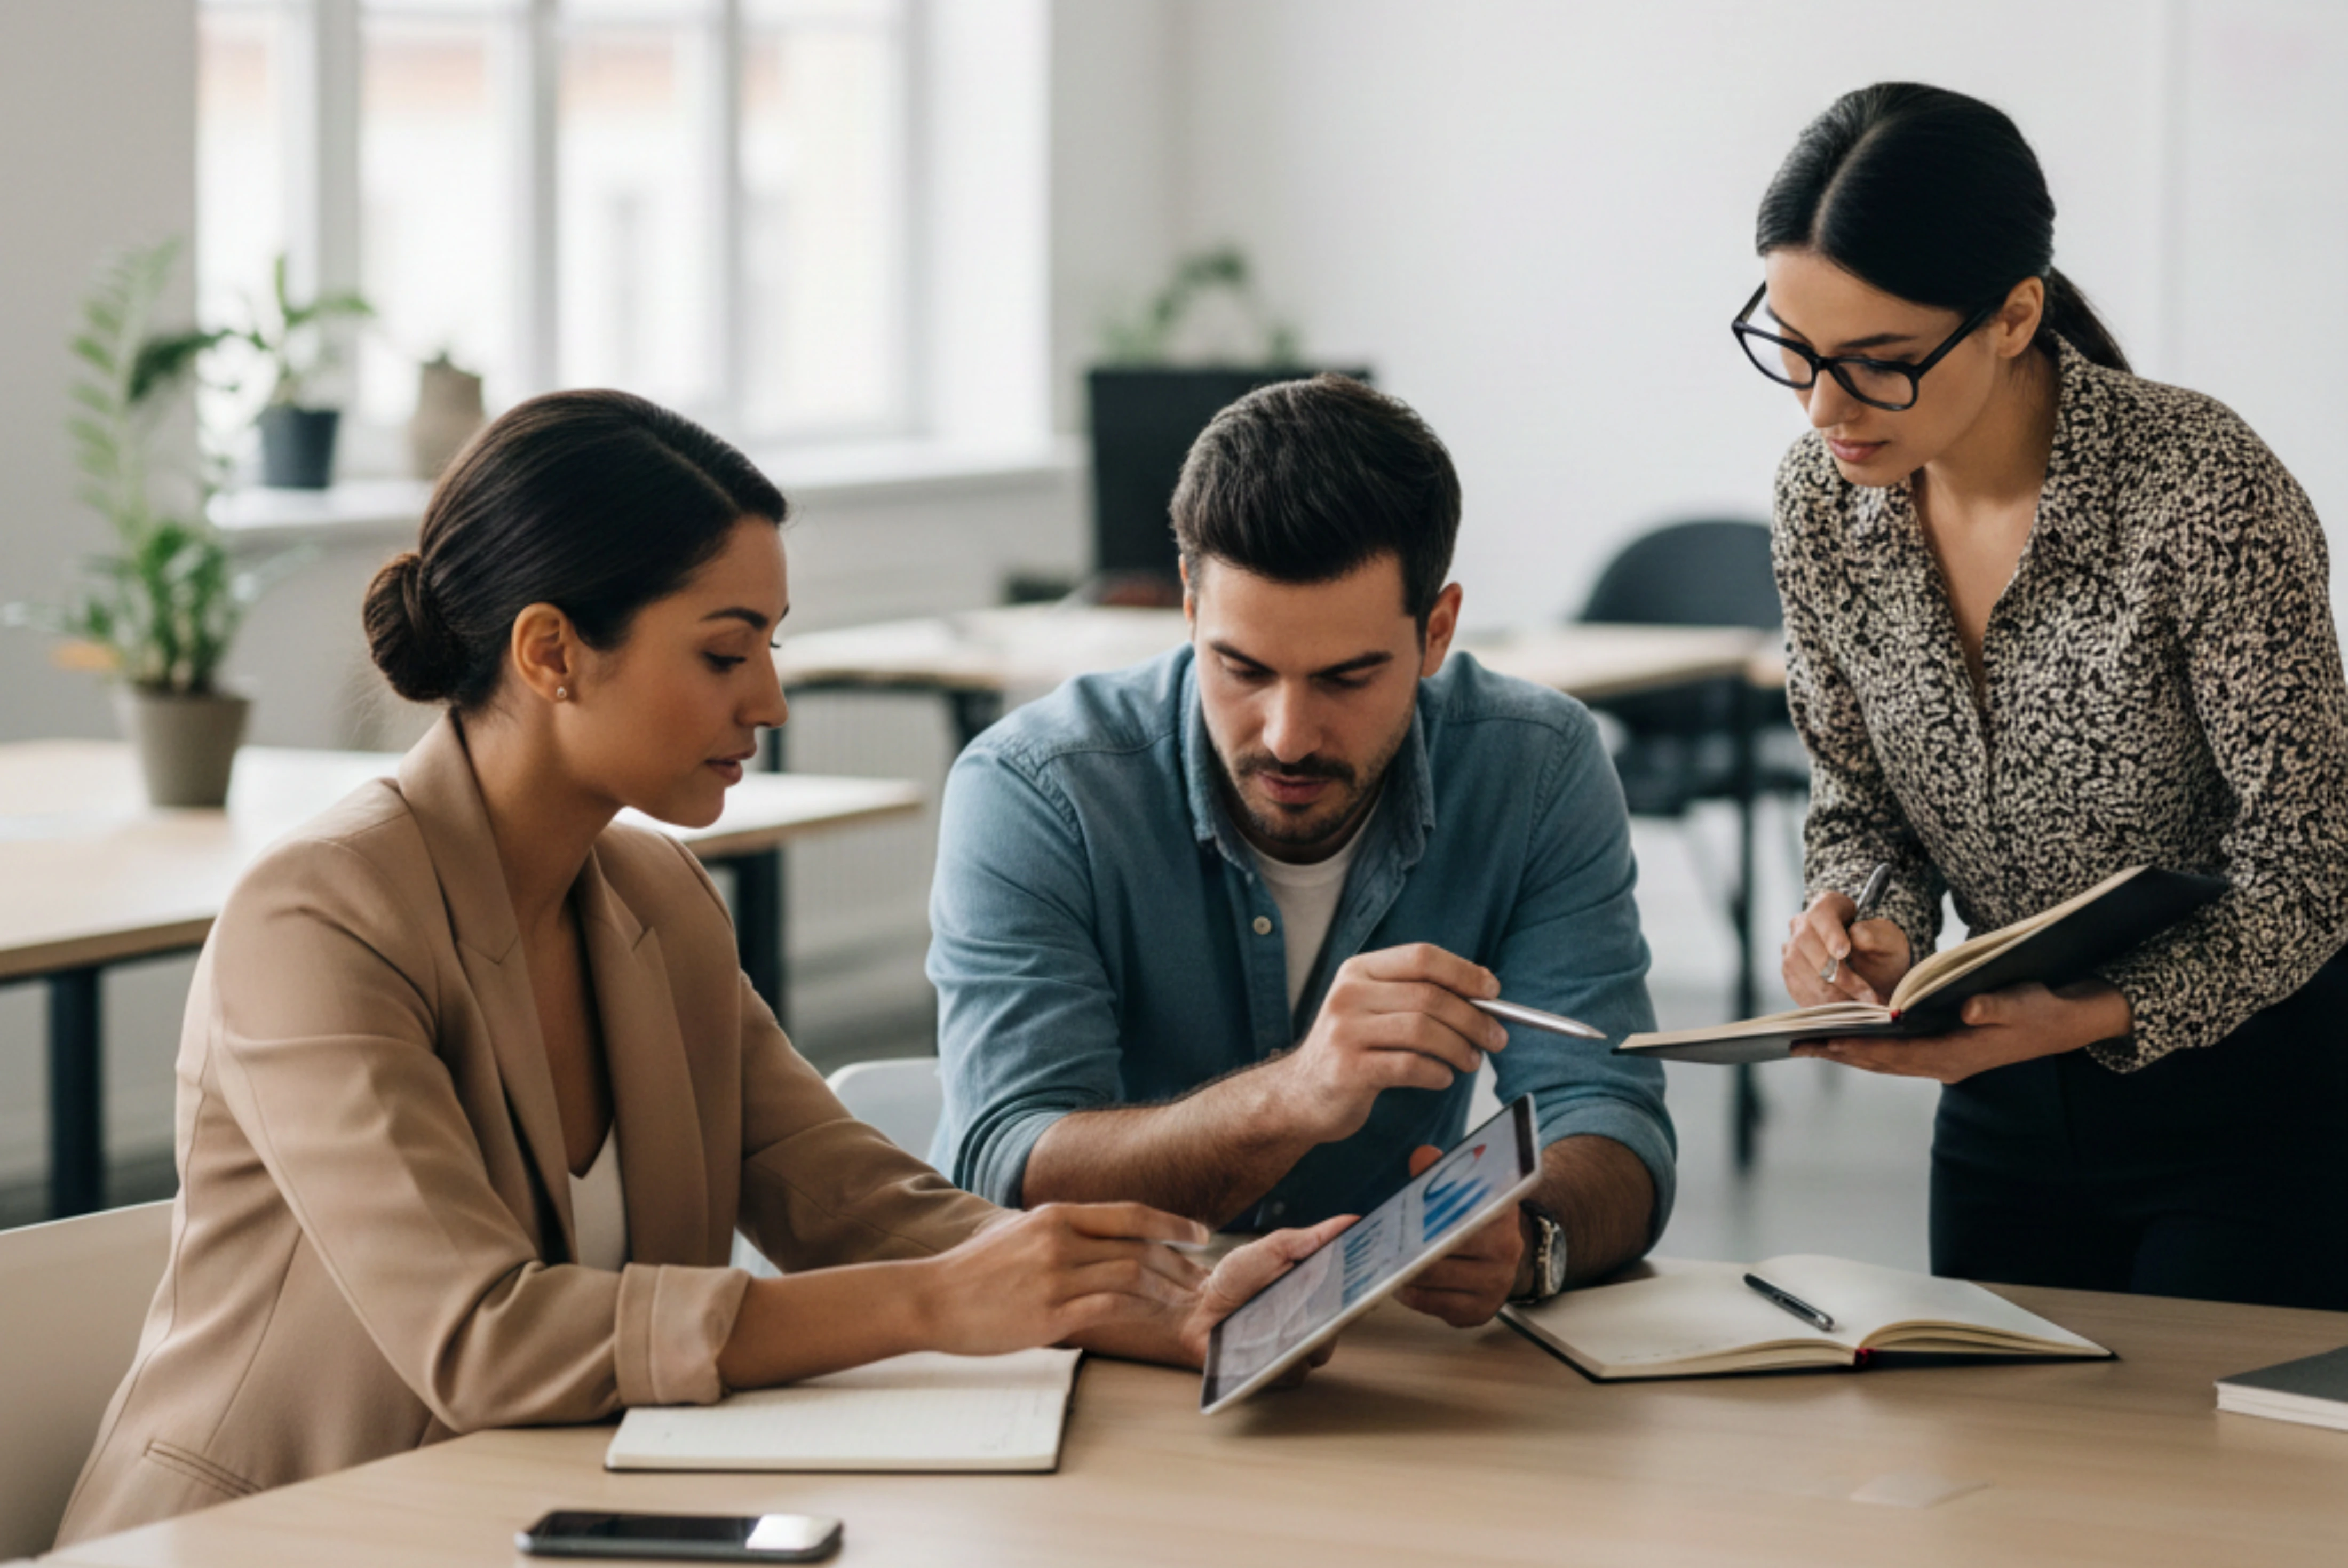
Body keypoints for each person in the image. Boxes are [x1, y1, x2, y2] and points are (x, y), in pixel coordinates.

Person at [55, 392, 1341, 1548]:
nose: (771, 698)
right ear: (551, 652)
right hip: (273, 1538)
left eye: (771, 645)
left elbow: (852, 1199)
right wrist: (936, 1304)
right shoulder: (319, 917)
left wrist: (1154, 1292)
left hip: (531, 1517)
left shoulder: (654, 899)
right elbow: (482, 1338)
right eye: (727, 652)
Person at [1747, 83, 2348, 1308]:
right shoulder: (1823, 504)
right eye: (1795, 349)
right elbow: (1860, 798)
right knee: (1994, 1476)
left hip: (2248, 1096)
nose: (1823, 407)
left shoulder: (2201, 490)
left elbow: (2315, 864)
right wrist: (1866, 928)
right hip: (1999, 1095)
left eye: (1876, 364)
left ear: (2015, 314)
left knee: (2205, 1486)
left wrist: (2084, 1013)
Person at [928, 375, 1676, 1328]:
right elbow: (1009, 1161)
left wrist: (1533, 1239)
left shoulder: (1535, 769)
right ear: (1191, 605)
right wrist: (1292, 1097)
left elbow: (1611, 1117)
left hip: (1382, 1360)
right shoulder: (1037, 787)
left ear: (1437, 631)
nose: (1287, 735)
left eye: (1347, 677)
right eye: (1242, 669)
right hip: (1099, 1346)